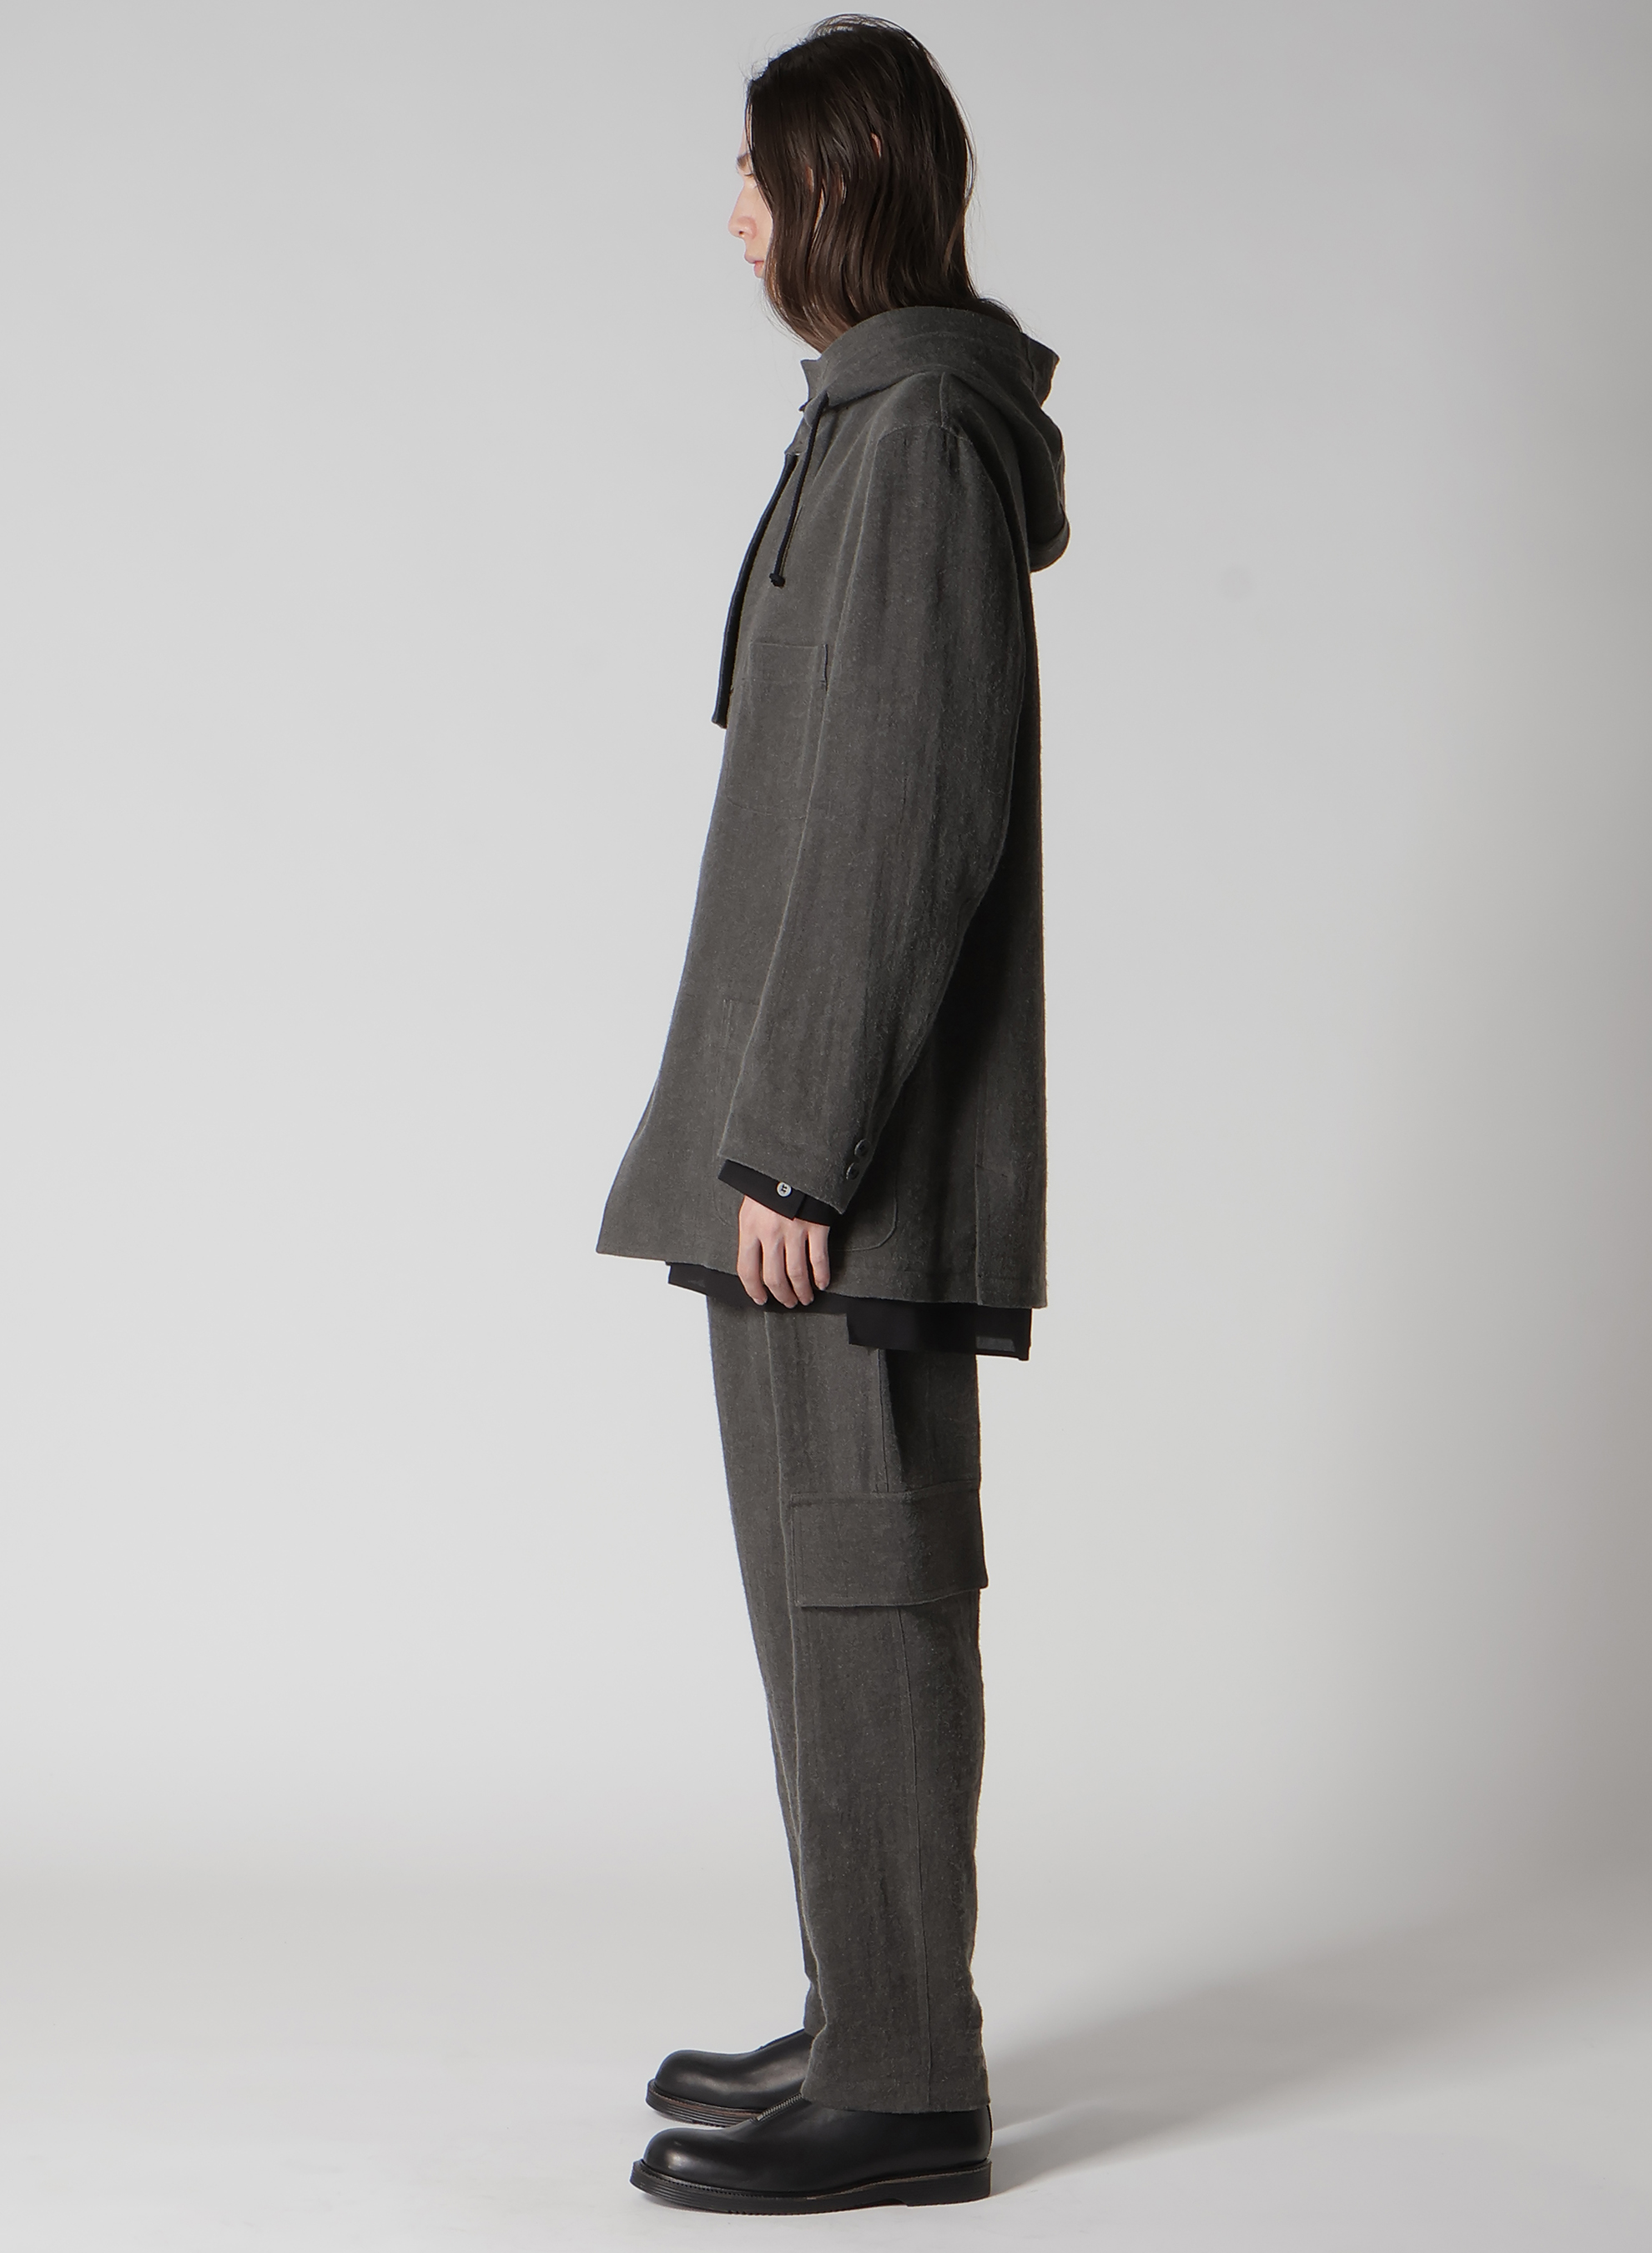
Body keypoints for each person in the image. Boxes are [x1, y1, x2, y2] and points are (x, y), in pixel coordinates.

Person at [597, 13, 1068, 2216]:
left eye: (756, 178)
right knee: (816, 1592)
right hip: (794, 1154)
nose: (732, 217)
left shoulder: (919, 447)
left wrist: (799, 1142)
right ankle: (863, 2001)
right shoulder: (870, 428)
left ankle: (903, 2085)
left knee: (869, 1592)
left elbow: (906, 817)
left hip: (839, 1170)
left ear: (838, 192)